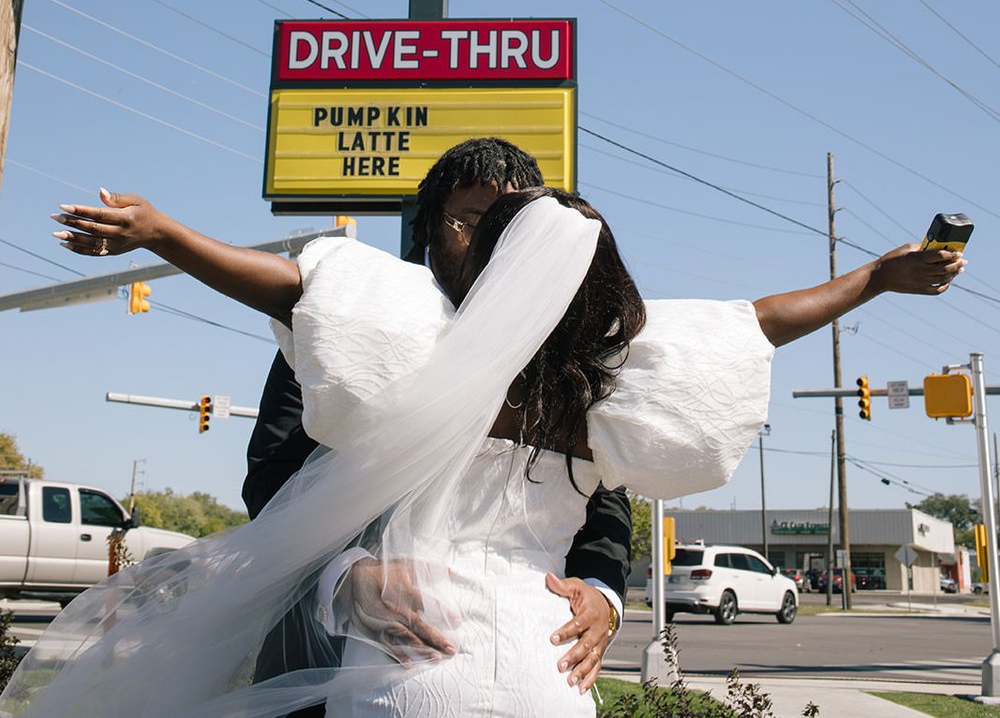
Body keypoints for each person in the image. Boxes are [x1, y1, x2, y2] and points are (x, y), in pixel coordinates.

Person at [3, 184, 963, 718]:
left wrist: (167, 230)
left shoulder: (415, 351)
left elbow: (288, 291)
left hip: (412, 669)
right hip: (546, 674)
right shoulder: (609, 388)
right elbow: (759, 322)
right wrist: (876, 278)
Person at [245, 138, 632, 706]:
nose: (488, 245)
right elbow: (274, 474)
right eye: (470, 221)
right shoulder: (349, 323)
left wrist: (603, 596)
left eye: (510, 230)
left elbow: (605, 496)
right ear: (425, 227)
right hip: (336, 659)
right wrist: (344, 574)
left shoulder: (565, 348)